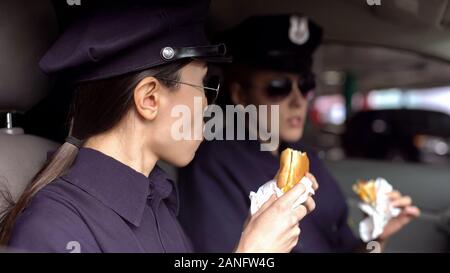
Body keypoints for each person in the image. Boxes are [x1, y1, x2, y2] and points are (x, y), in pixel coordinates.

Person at [0, 2, 317, 253]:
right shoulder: (54, 228)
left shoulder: (156, 200)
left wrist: (254, 230)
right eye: (203, 86)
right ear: (149, 98)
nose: (208, 106)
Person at [178, 14, 420, 253]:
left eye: (305, 84)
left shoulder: (305, 157)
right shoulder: (212, 166)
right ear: (241, 95)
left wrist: (377, 238)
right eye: (278, 87)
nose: (298, 101)